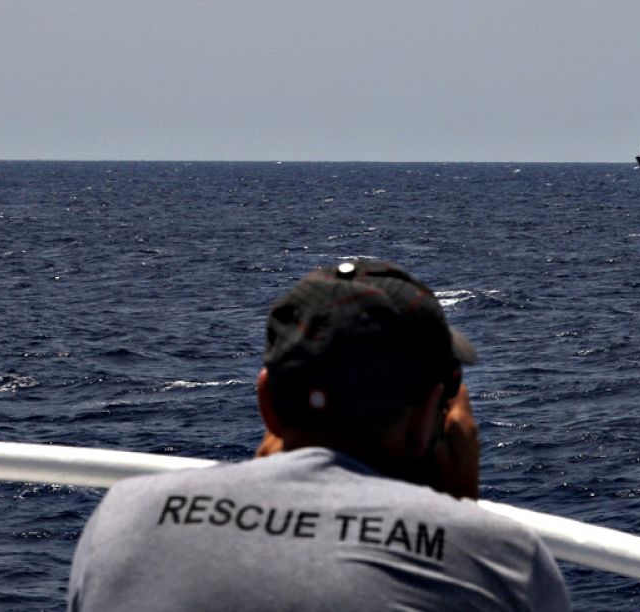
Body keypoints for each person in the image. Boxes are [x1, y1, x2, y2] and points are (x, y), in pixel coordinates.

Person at [67, 259, 570, 611]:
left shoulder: (124, 515)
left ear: (266, 402)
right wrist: (459, 514)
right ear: (426, 417)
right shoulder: (502, 560)